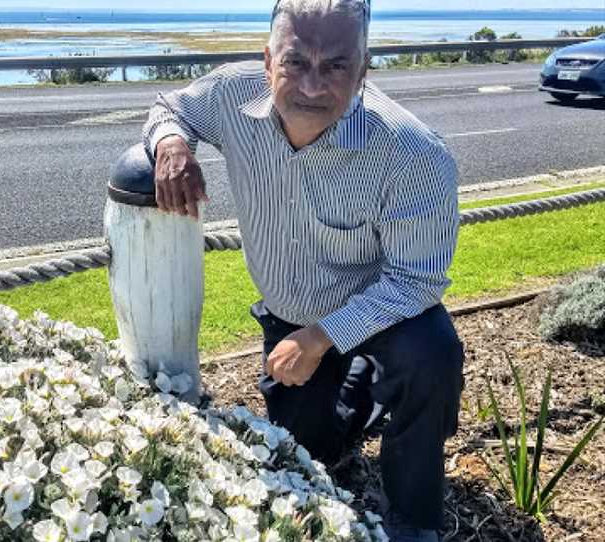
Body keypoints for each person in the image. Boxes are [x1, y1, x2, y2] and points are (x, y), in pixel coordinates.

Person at [141, 1, 465, 541]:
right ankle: (359, 388)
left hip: (384, 311)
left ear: (363, 70)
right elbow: (168, 105)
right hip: (289, 311)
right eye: (296, 63)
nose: (313, 86)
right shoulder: (228, 94)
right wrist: (171, 143)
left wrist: (321, 337)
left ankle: (413, 516)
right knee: (313, 448)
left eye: (337, 66)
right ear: (267, 62)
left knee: (432, 354)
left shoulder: (413, 154)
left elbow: (416, 280)